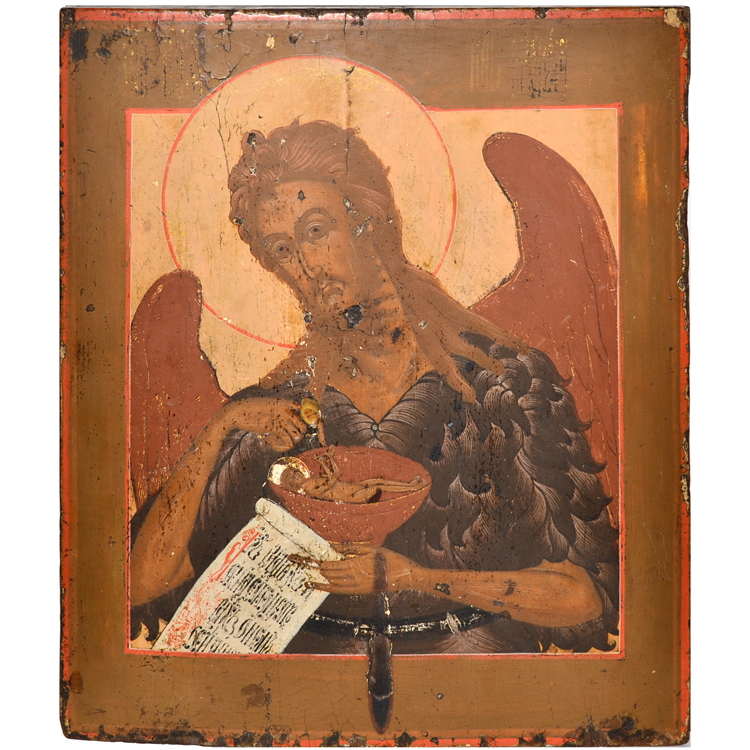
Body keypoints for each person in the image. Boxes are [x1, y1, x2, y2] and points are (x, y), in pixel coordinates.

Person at [129, 120, 619, 655]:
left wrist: (413, 579)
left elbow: (582, 597)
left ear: (370, 223)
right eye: (282, 250)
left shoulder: (500, 389)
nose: (307, 265)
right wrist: (221, 426)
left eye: (317, 230)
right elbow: (144, 582)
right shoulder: (278, 413)